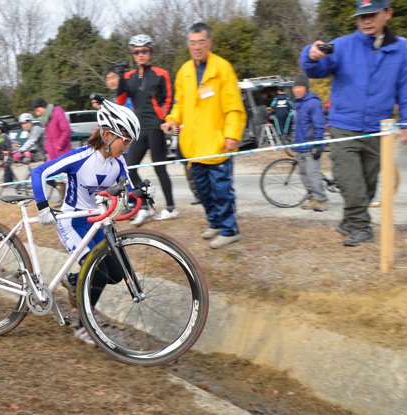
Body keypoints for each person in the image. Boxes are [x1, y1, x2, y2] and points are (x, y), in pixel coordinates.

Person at [299, 0, 407, 247]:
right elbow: (315, 70)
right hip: (344, 124)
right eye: (361, 15)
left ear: (388, 14)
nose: (366, 20)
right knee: (348, 178)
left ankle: (348, 221)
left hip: (378, 128)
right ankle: (362, 227)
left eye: (372, 14)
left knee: (368, 184)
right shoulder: (342, 45)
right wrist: (310, 55)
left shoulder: (403, 50)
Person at [30, 100, 142, 345]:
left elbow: (130, 190)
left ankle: (74, 283)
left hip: (98, 223)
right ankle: (83, 325)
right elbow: (38, 173)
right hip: (74, 222)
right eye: (125, 140)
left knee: (115, 273)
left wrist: (141, 193)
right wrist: (42, 206)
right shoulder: (80, 157)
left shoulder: (119, 162)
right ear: (109, 134)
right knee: (98, 271)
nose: (127, 146)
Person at [161, 22, 246, 249]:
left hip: (218, 142)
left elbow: (234, 106)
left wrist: (232, 134)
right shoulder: (184, 72)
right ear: (188, 45)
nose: (197, 47)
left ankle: (230, 230)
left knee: (221, 189)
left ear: (210, 43)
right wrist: (173, 119)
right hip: (193, 145)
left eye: (201, 42)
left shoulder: (222, 69)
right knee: (203, 191)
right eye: (192, 43)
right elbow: (180, 104)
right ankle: (215, 222)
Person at [115, 34, 177, 224]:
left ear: (150, 52)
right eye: (136, 51)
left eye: (144, 51)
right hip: (139, 128)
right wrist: (120, 78)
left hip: (156, 126)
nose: (140, 54)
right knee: (130, 166)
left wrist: (164, 119)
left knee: (160, 168)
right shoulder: (128, 76)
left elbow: (168, 98)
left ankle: (171, 208)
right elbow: (119, 99)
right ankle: (146, 204)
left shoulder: (161, 73)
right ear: (133, 54)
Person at [291, 73, 328, 212]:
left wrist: (317, 145)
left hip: (311, 145)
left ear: (306, 88)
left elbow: (319, 125)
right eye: (295, 87)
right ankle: (313, 198)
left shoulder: (313, 102)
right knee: (303, 175)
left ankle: (322, 200)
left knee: (313, 174)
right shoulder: (298, 103)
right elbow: (299, 125)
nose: (297, 90)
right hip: (300, 146)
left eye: (300, 87)